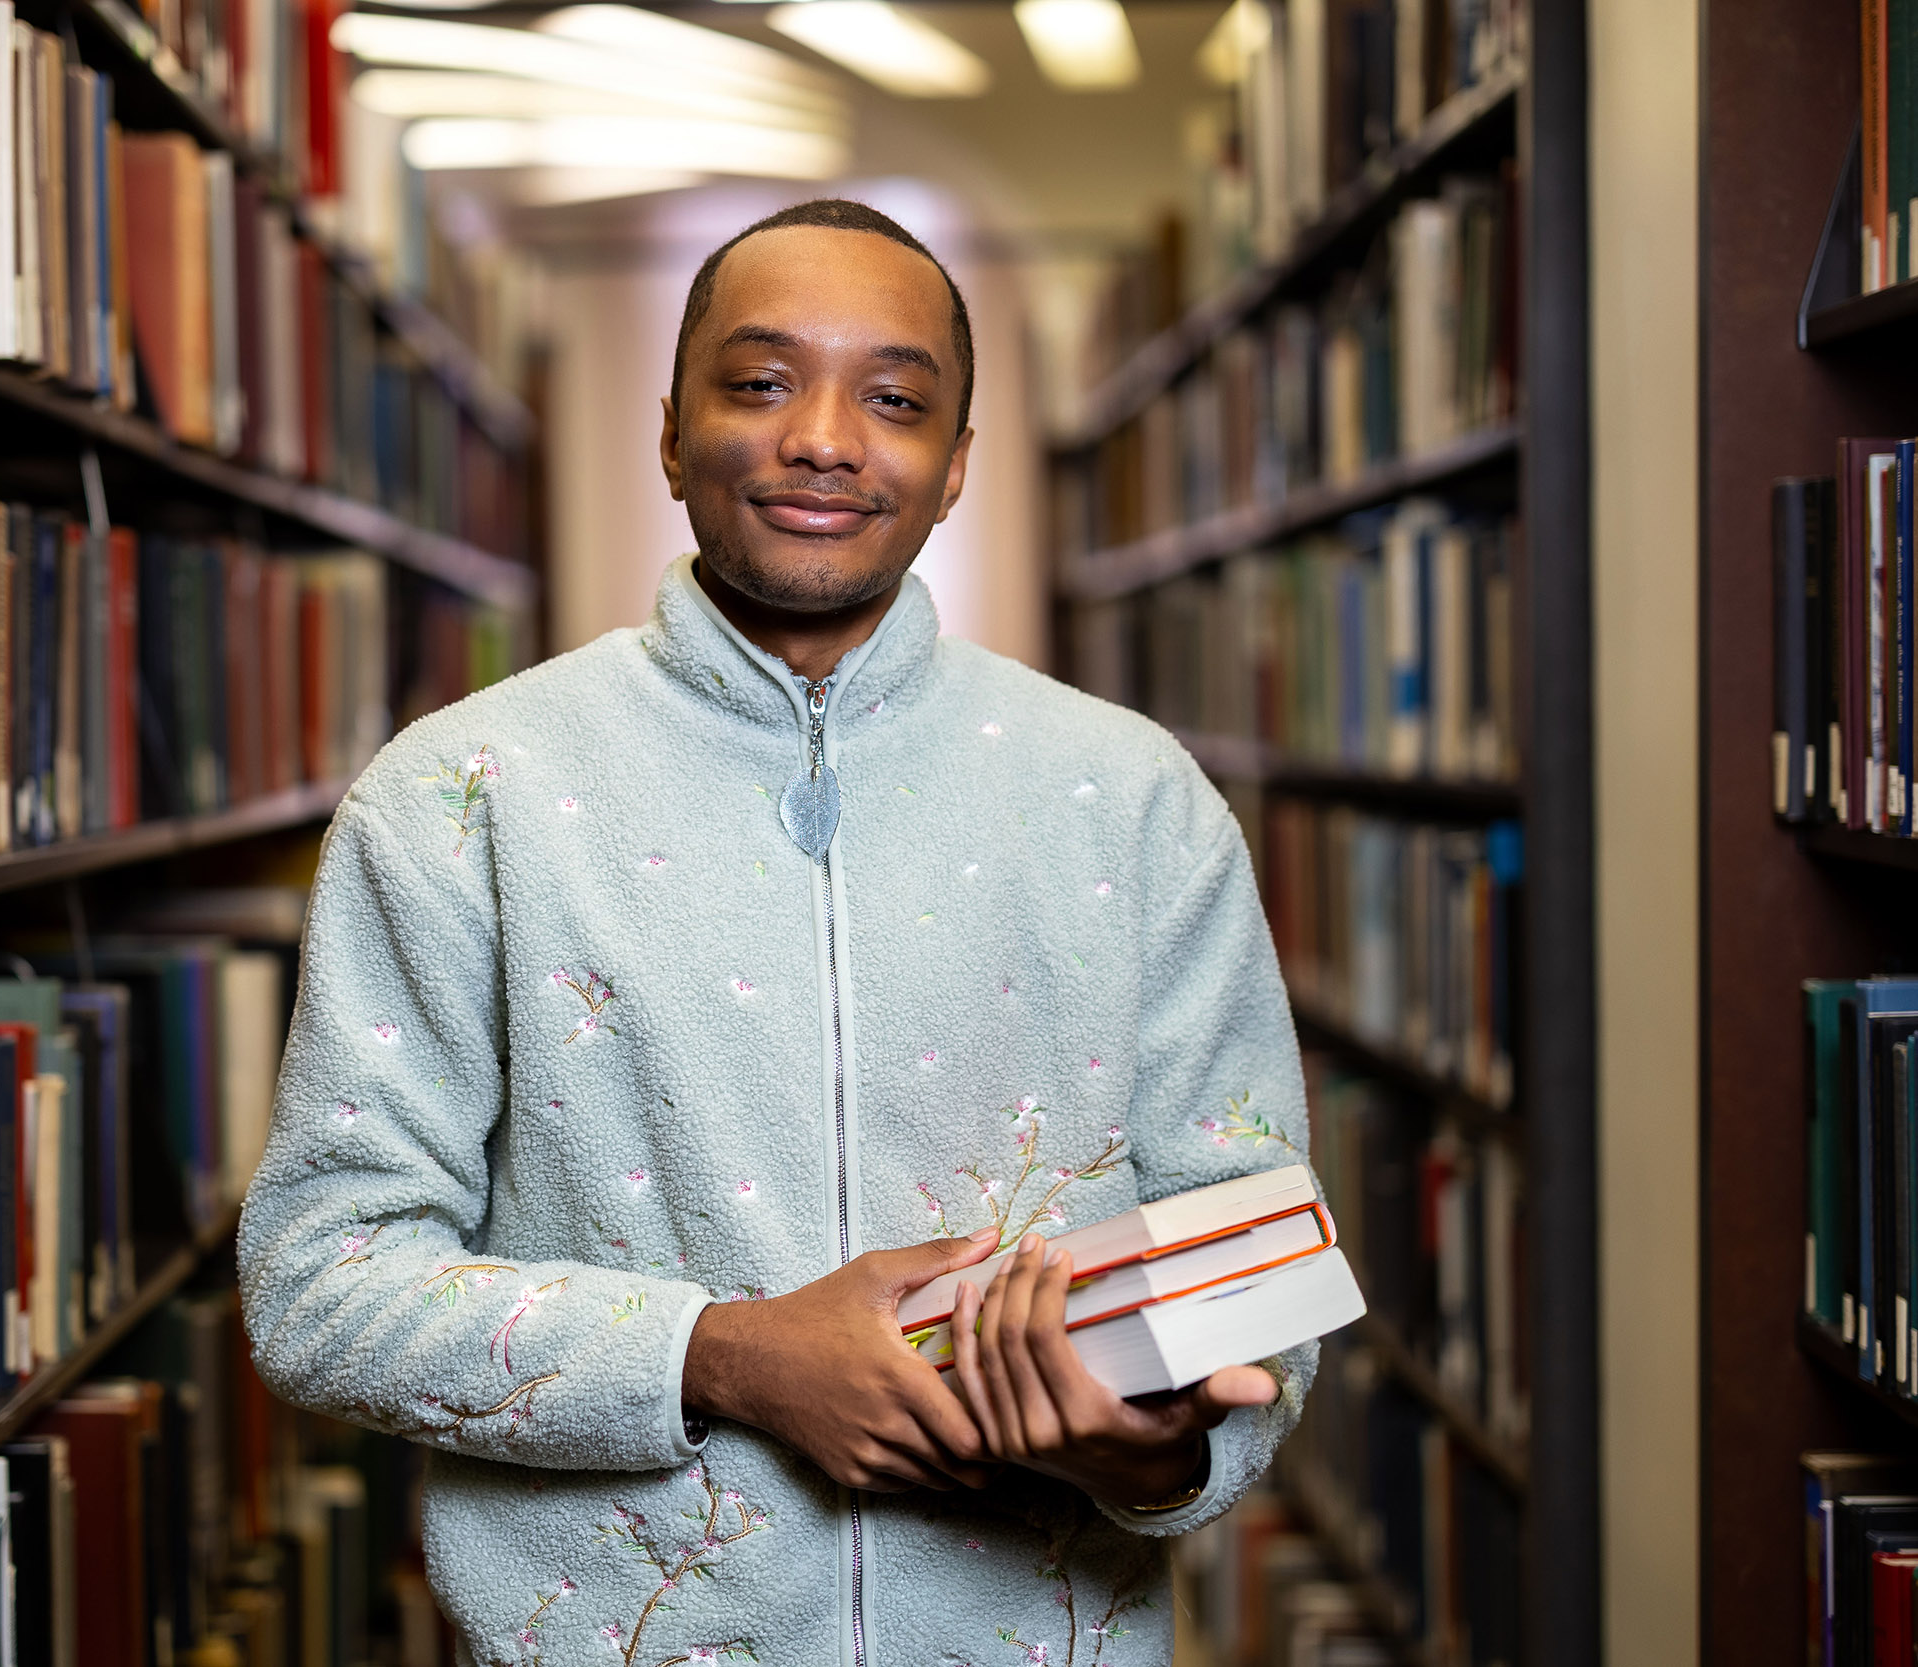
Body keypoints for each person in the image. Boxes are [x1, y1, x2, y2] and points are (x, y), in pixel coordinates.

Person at [237, 198, 1311, 1667]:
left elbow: (1257, 1265)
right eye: (759, 383)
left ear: (954, 472)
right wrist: (724, 1357)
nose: (824, 436)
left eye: (895, 399)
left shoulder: (1130, 798)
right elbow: (316, 1285)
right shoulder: (458, 795)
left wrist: (1150, 1459)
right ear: (669, 433)